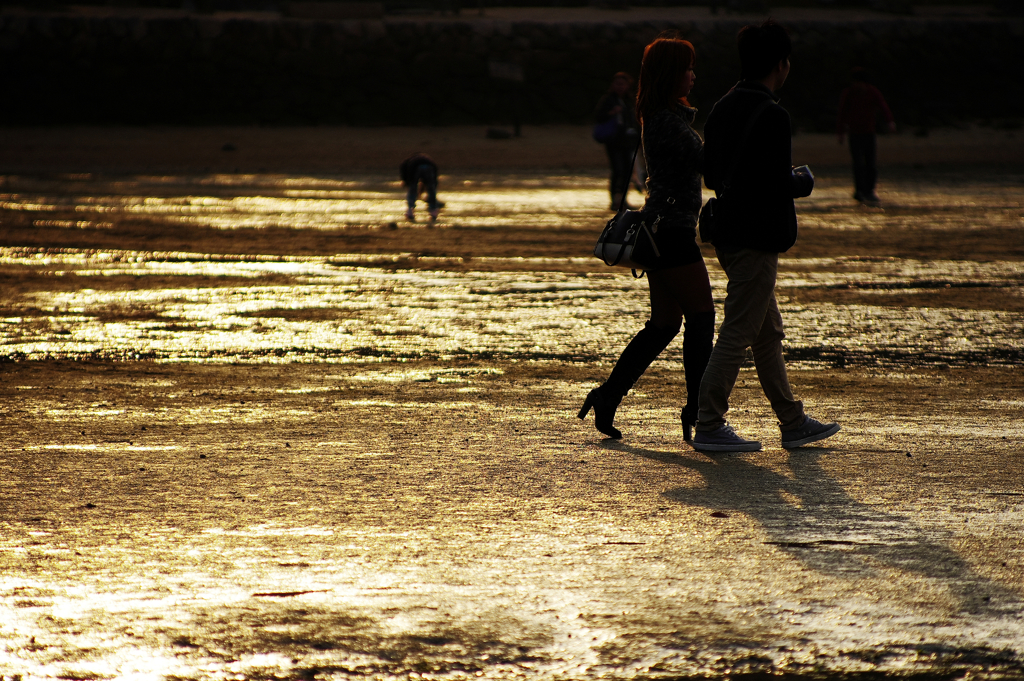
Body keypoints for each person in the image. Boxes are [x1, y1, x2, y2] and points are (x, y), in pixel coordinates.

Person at [692, 20, 839, 452]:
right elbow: (773, 183)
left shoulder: (721, 107)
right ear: (781, 64)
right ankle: (709, 421)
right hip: (756, 238)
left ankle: (792, 421)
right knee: (739, 331)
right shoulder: (773, 114)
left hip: (728, 233)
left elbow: (713, 175)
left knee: (766, 331)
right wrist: (799, 182)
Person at [578, 36, 716, 443]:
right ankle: (699, 409)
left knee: (664, 324)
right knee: (702, 317)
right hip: (670, 231)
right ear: (671, 73)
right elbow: (708, 164)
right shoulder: (667, 121)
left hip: (661, 230)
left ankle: (608, 395)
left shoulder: (661, 115)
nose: (693, 75)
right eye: (687, 68)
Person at [837, 67, 895, 206]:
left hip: (869, 133)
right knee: (857, 164)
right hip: (854, 134)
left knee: (870, 164)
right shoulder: (849, 93)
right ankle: (859, 191)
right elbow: (842, 113)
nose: (855, 85)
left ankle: (869, 191)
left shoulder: (872, 92)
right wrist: (841, 133)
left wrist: (890, 122)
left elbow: (883, 106)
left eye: (858, 82)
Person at [594, 72, 643, 210]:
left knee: (628, 171)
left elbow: (636, 121)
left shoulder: (630, 101)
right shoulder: (608, 100)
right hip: (613, 141)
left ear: (628, 85)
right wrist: (611, 113)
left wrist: (639, 140)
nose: (620, 87)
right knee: (617, 170)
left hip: (628, 141)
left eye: (623, 84)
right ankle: (614, 200)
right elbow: (598, 117)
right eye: (617, 84)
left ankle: (623, 200)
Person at [400, 153, 441, 221]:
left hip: (415, 168)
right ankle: (433, 212)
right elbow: (433, 179)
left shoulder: (407, 164)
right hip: (429, 167)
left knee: (412, 189)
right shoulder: (428, 161)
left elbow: (408, 179)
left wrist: (407, 182)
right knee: (431, 190)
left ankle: (410, 211)